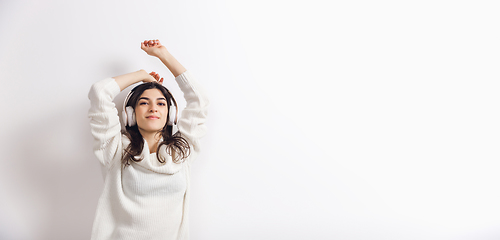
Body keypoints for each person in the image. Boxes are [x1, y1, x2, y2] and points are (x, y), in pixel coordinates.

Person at [87, 39, 209, 240]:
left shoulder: (182, 151)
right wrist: (140, 76)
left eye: (161, 104)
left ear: (169, 115)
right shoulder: (115, 149)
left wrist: (164, 56)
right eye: (144, 103)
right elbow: (100, 93)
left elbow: (200, 100)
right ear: (131, 115)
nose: (153, 108)